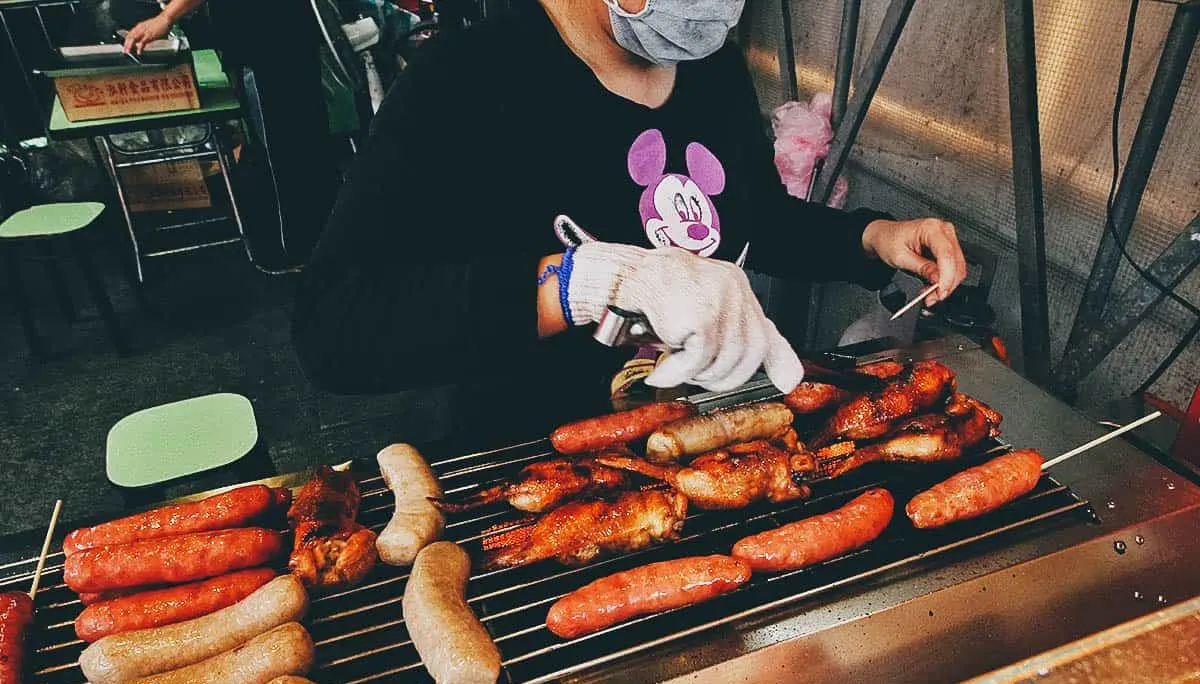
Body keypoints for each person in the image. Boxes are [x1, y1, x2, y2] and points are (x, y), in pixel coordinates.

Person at [292, 0, 966, 440]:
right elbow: (337, 325)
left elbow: (753, 219)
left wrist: (874, 239)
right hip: (540, 469)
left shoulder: (711, 69)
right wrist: (583, 282)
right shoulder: (469, 78)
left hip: (704, 444)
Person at [124, 0, 337, 274]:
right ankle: (321, 242)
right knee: (296, 145)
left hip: (267, 40)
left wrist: (167, 16)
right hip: (271, 37)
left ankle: (304, 250)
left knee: (287, 152)